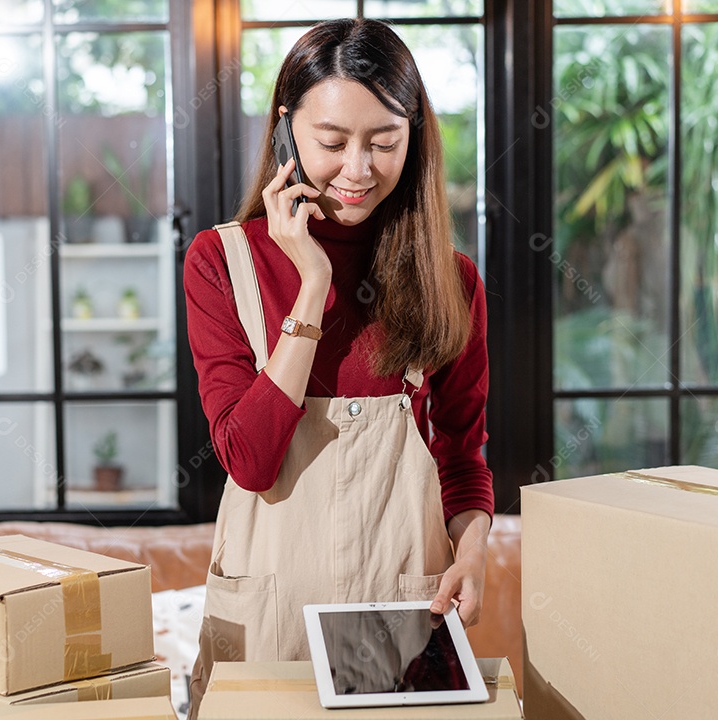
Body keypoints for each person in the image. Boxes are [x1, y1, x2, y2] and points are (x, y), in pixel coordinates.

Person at [182, 17, 493, 716]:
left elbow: (464, 456)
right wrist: (312, 285)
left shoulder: (453, 281)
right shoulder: (221, 262)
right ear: (288, 128)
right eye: (333, 142)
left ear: (414, 137)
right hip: (270, 613)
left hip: (401, 613)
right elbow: (251, 460)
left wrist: (473, 553)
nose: (358, 169)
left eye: (384, 142)